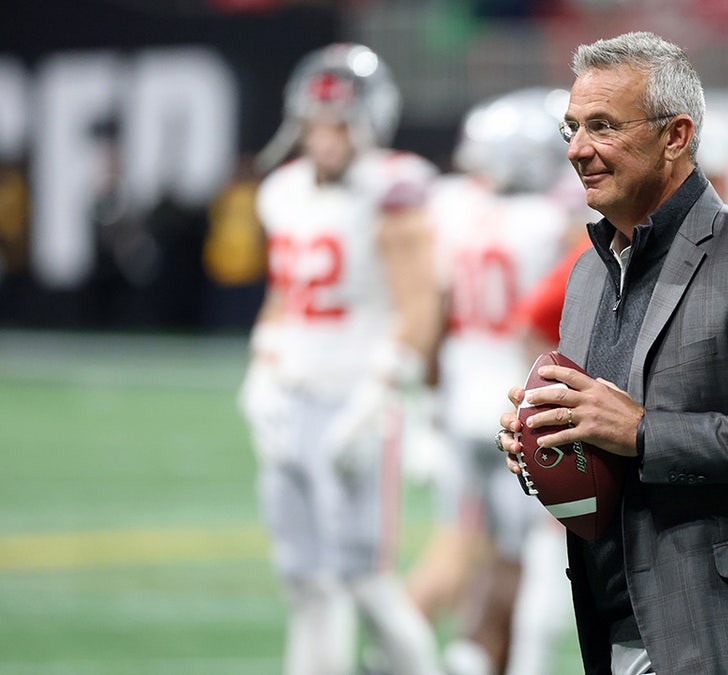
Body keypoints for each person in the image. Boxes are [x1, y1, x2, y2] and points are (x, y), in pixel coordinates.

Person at [495, 31, 728, 674]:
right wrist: (547, 443)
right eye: (572, 128)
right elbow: (608, 451)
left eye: (603, 126)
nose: (579, 149)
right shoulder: (587, 275)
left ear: (676, 135)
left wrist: (641, 432)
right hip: (622, 628)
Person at [237, 43, 443, 675]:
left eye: (340, 125)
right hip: (293, 392)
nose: (325, 139)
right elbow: (283, 295)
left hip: (358, 398)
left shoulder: (394, 190)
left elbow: (420, 307)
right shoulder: (283, 190)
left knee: (362, 578)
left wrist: (381, 396)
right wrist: (260, 372)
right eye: (317, 124)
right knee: (302, 580)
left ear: (369, 122)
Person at [408, 86, 579, 675]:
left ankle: (462, 652)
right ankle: (504, 661)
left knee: (466, 540)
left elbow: (433, 314)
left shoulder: (450, 207)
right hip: (516, 400)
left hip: (457, 399)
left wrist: (426, 405)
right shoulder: (551, 222)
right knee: (533, 547)